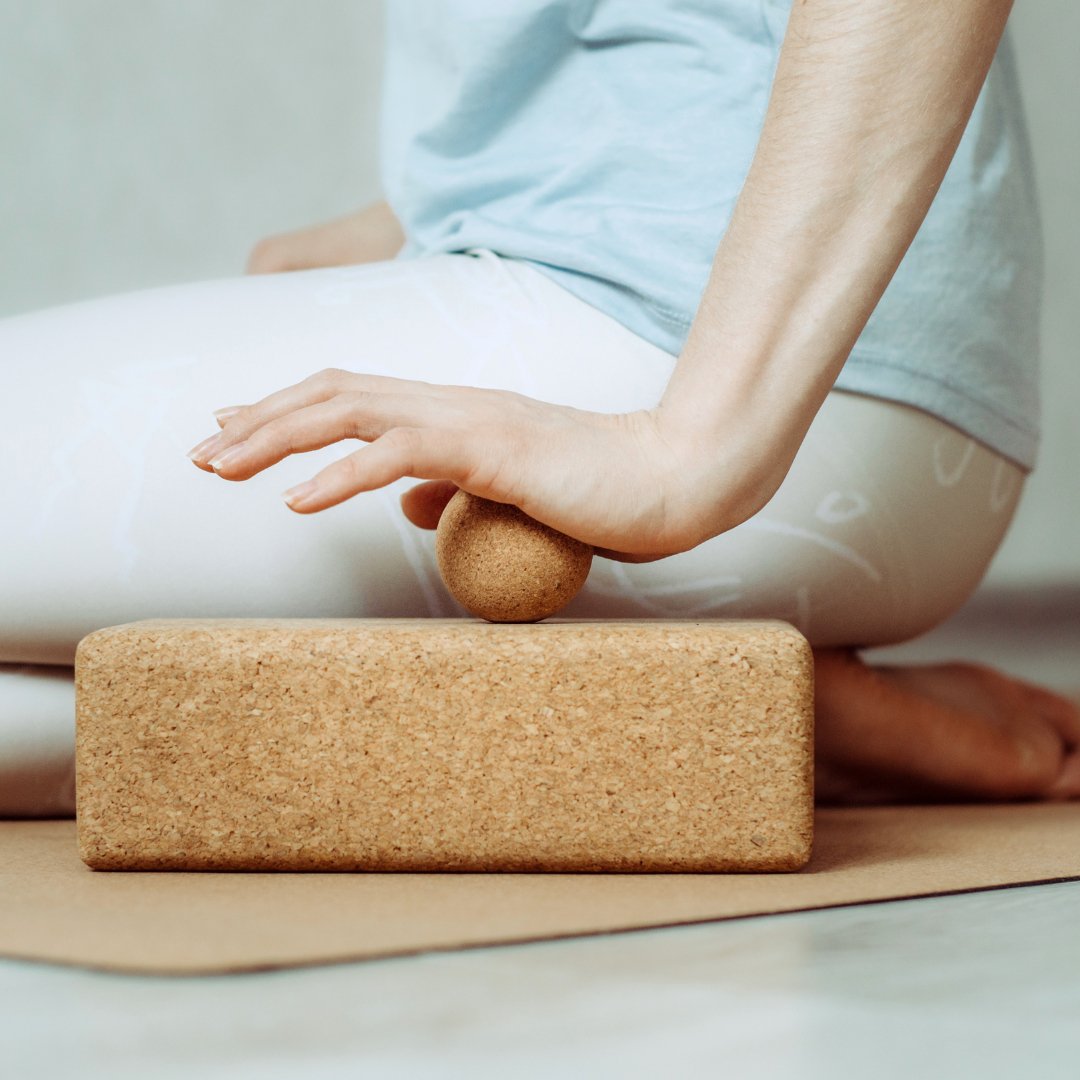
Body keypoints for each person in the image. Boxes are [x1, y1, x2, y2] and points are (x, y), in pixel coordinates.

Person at [2, 0, 1077, 816]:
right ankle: (689, 721)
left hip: (743, 350)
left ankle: (687, 711)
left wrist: (692, 447)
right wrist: (420, 213)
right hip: (718, 323)